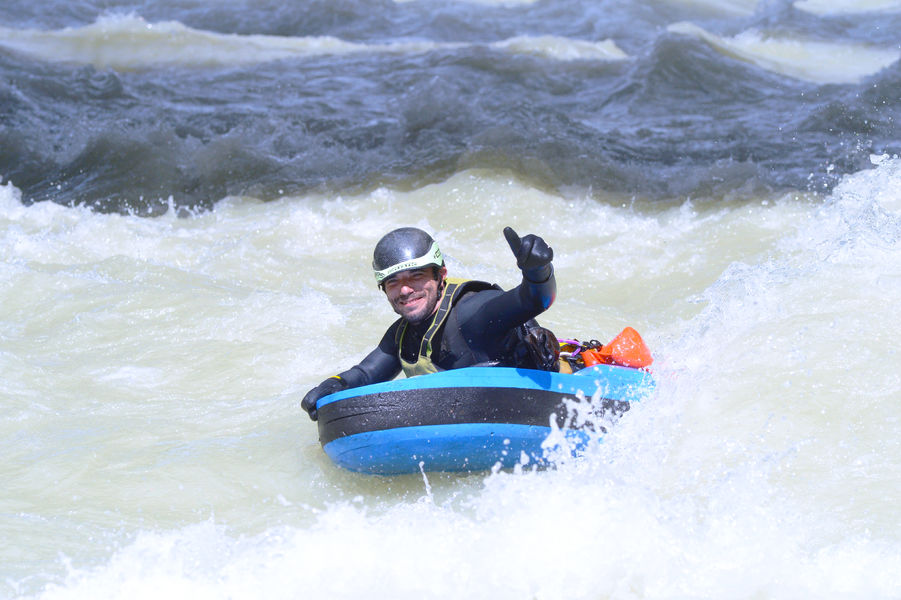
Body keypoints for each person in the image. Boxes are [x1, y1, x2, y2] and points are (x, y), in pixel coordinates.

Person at [301, 226, 558, 420]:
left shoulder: (472, 312)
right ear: (383, 289)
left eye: (416, 276)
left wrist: (538, 271)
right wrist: (335, 384)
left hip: (526, 410)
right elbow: (366, 374)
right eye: (393, 282)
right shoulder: (402, 335)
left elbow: (534, 300)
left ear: (440, 275)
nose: (404, 290)